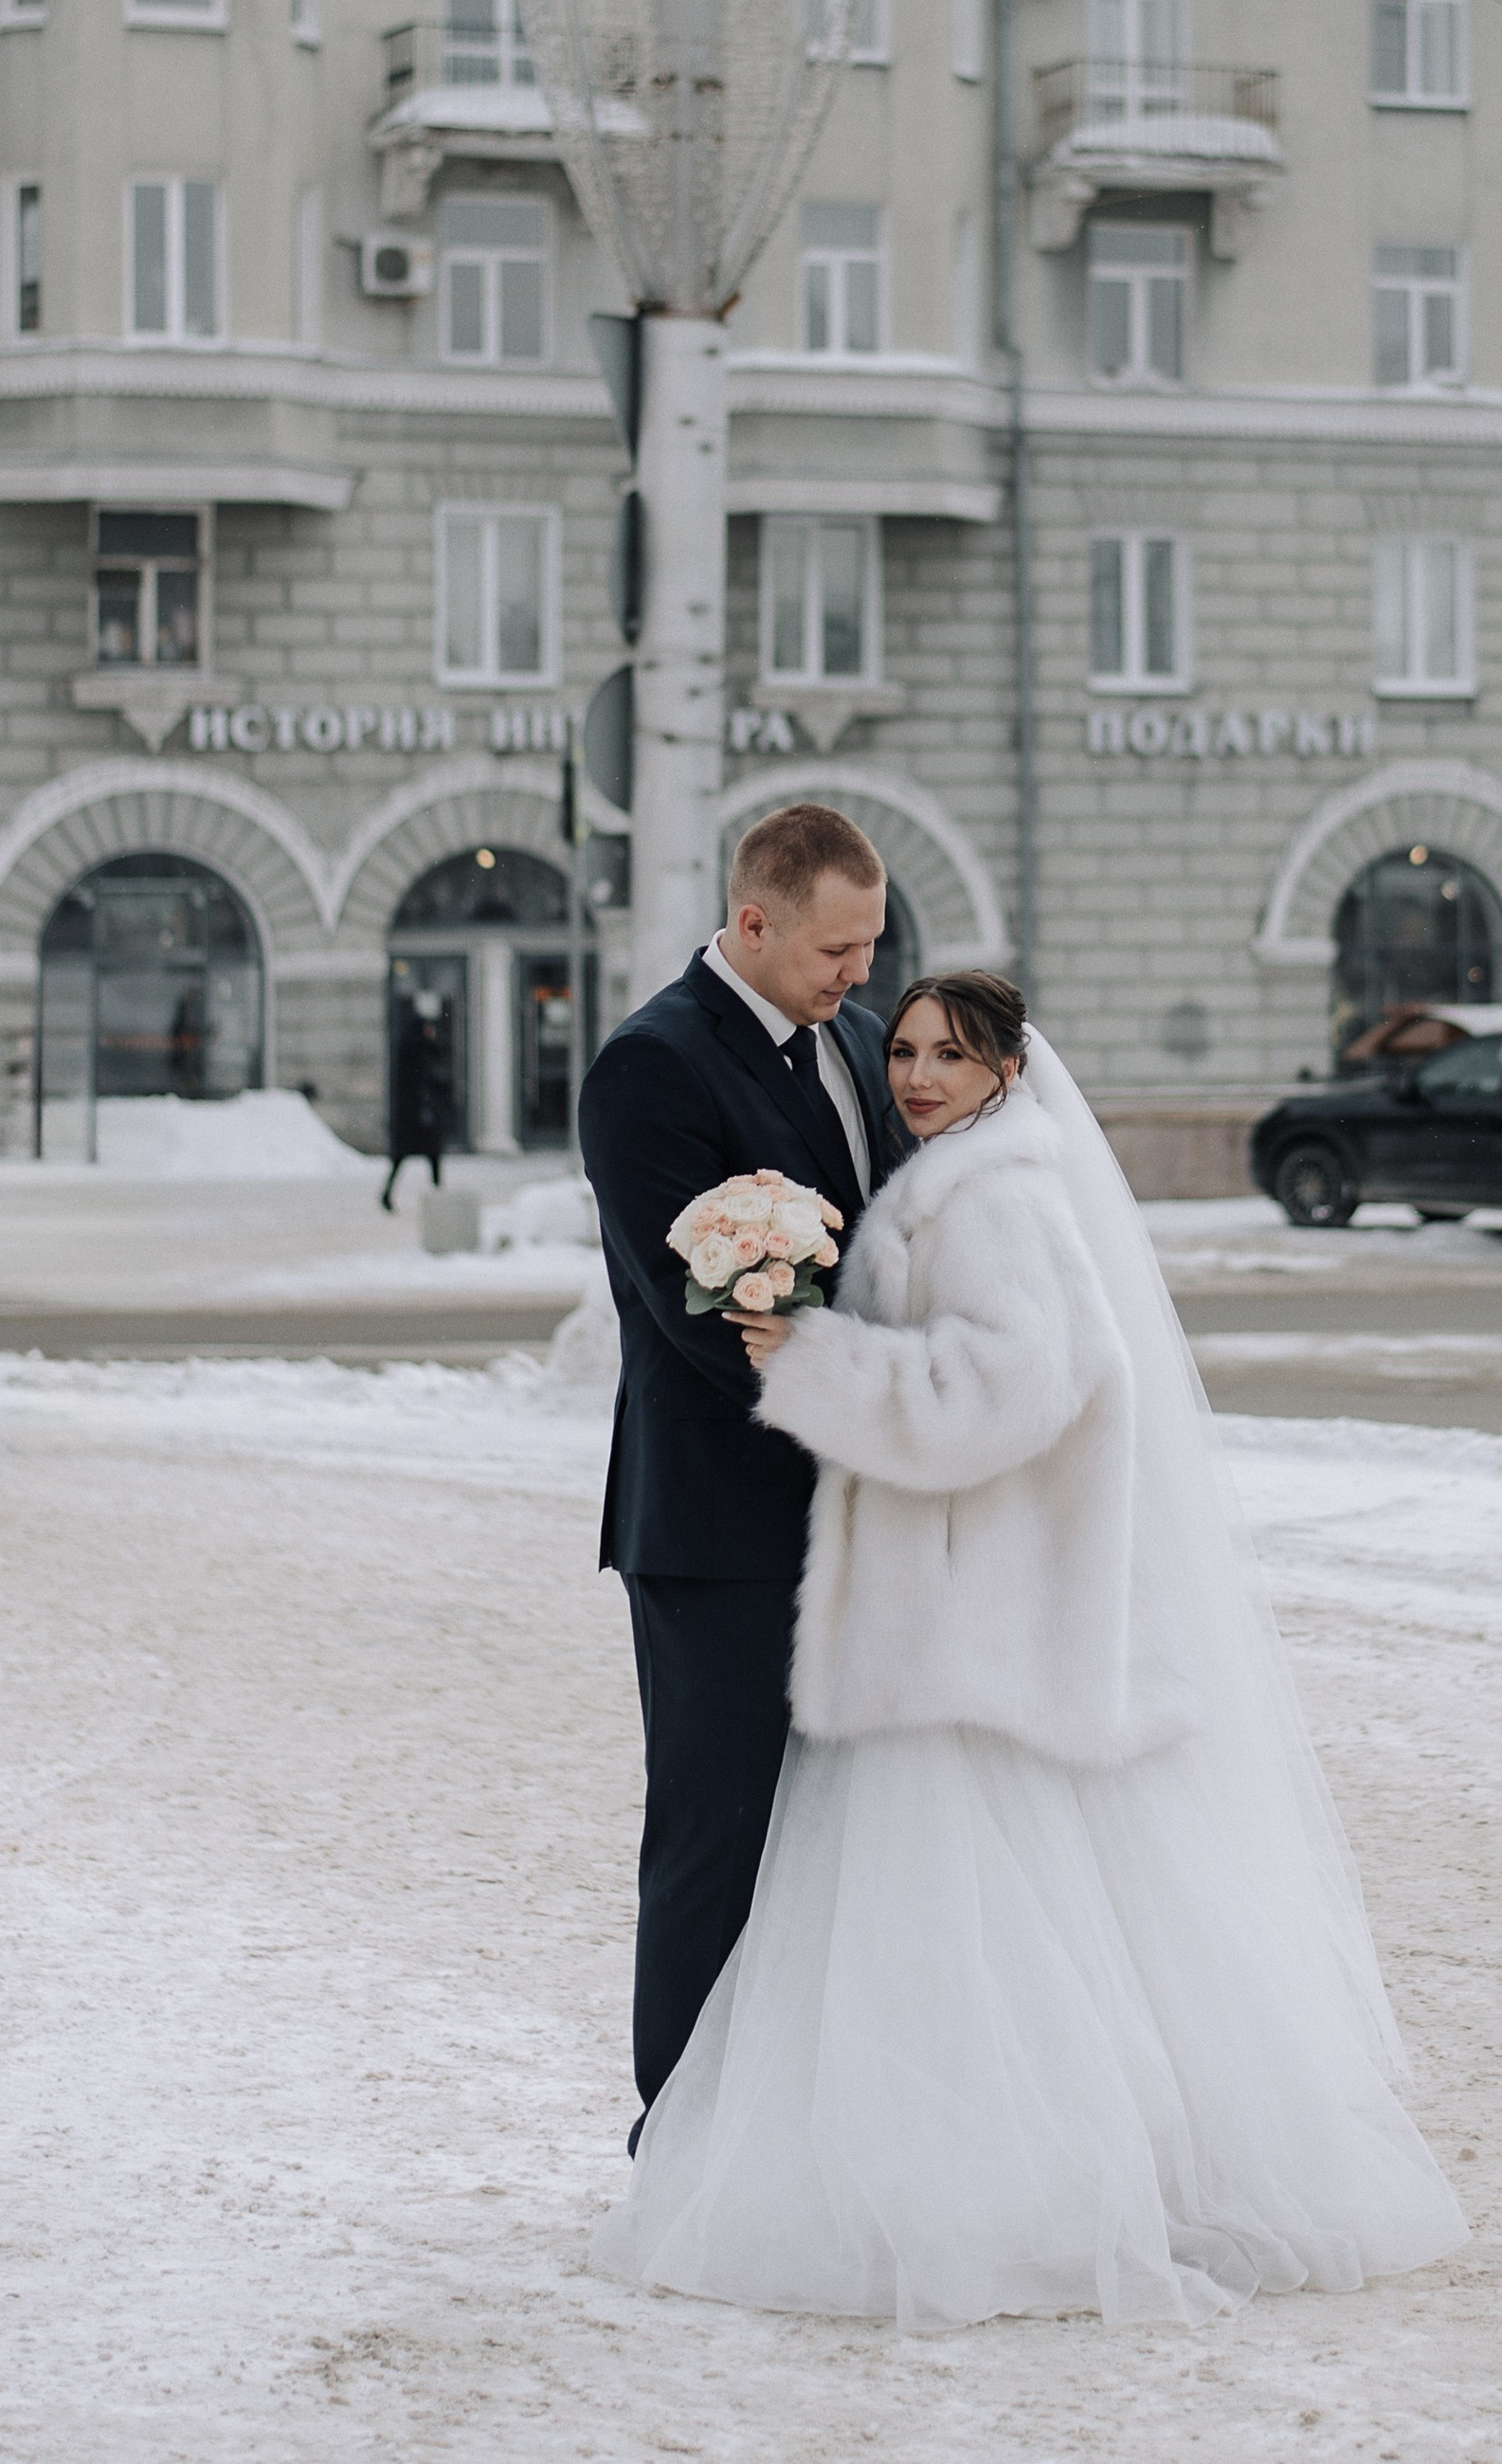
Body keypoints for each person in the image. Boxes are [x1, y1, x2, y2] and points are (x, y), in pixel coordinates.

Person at [589, 969, 1466, 2329]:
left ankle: (1005, 2187)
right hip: (943, 1602)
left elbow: (1015, 1381)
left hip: (964, 1617)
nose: (917, 1071)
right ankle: (966, 2164)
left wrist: (814, 1359)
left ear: (1009, 1069)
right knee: (970, 1917)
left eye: (951, 1052)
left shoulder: (992, 1191)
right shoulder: (963, 1169)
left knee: (969, 1910)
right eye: (912, 1050)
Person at [576, 803, 906, 2152]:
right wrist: (882, 1408)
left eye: (875, 943)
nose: (861, 973)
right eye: (838, 946)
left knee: (842, 1842)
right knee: (717, 1840)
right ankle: (685, 2143)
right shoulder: (649, 1066)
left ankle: (804, 2130)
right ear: (754, 920)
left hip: (862, 1514)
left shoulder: (866, 1043)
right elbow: (701, 1319)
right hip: (717, 1526)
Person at [378, 995, 453, 1211]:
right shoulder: (415, 1049)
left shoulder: (408, 1048)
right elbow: (434, 1063)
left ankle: (389, 1193)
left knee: (409, 1157)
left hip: (413, 1114)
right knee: (430, 1155)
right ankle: (436, 1194)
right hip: (419, 1113)